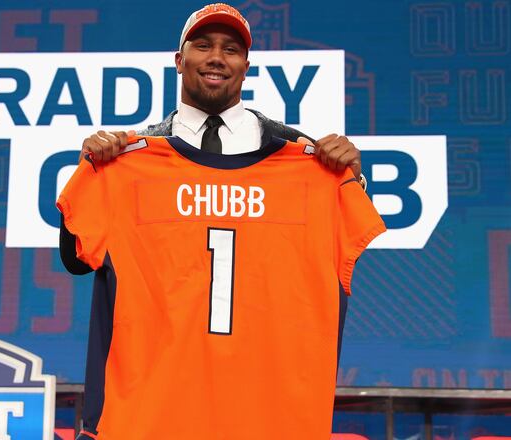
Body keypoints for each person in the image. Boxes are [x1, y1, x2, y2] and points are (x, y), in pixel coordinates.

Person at [58, 4, 376, 439]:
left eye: (230, 49)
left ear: (246, 66)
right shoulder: (128, 158)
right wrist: (93, 170)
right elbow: (75, 260)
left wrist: (352, 179)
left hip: (267, 416)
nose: (216, 57)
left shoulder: (308, 159)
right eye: (203, 45)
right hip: (153, 414)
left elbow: (343, 240)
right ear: (179, 59)